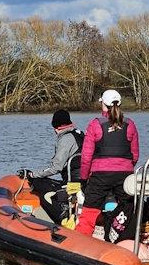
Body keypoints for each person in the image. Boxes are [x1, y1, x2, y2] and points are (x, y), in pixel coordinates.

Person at [75, 89, 139, 236]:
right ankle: (129, 238)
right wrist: (125, 168)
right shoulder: (130, 125)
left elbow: (86, 158)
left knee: (89, 212)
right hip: (125, 175)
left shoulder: (95, 124)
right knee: (129, 208)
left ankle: (81, 242)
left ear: (103, 104)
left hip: (100, 175)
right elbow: (135, 155)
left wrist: (84, 180)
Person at [19, 110, 84, 223]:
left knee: (39, 185)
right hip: (86, 182)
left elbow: (56, 167)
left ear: (55, 127)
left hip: (73, 183)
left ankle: (61, 215)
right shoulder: (80, 134)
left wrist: (32, 174)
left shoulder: (66, 139)